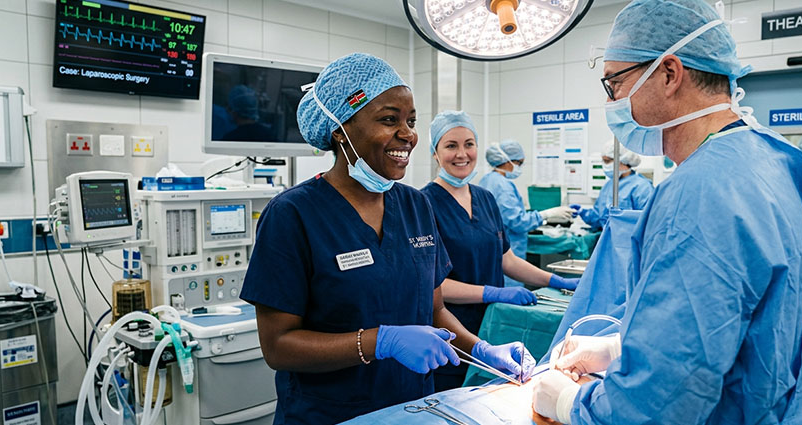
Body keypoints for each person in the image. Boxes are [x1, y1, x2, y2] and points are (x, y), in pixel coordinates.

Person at [532, 1, 802, 424]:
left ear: (669, 73)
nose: (611, 101)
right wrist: (622, 349)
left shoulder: (702, 190)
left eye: (614, 84)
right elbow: (753, 324)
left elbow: (660, 406)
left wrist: (569, 402)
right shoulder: (779, 160)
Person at [239, 53, 534, 425]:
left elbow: (435, 310)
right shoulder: (292, 214)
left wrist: (483, 349)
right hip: (330, 414)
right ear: (340, 130)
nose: (408, 135)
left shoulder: (416, 206)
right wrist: (380, 342)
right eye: (389, 119)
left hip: (415, 409)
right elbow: (278, 346)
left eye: (411, 121)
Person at [421, 110, 581, 390]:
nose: (462, 154)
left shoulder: (485, 198)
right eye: (451, 145)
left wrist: (554, 280)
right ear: (435, 153)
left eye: (469, 144)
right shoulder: (422, 204)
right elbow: (433, 286)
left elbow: (506, 259)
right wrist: (492, 291)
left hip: (495, 325)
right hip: (450, 331)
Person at [478, 139, 578, 286]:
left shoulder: (487, 180)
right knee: (509, 298)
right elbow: (517, 222)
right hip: (508, 255)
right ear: (506, 161)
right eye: (518, 163)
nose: (519, 167)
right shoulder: (503, 186)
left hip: (491, 251)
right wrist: (547, 214)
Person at [572, 141, 654, 230]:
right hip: (608, 240)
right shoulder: (609, 185)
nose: (605, 165)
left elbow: (649, 222)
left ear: (623, 160)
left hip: (629, 241)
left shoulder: (642, 187)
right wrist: (583, 212)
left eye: (607, 161)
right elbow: (599, 217)